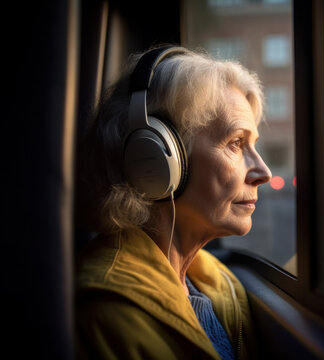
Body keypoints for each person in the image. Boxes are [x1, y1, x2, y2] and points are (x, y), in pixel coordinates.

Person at [75, 45, 272, 359]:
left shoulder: (220, 284)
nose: (263, 171)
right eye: (236, 143)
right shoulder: (107, 315)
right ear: (154, 157)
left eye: (253, 145)